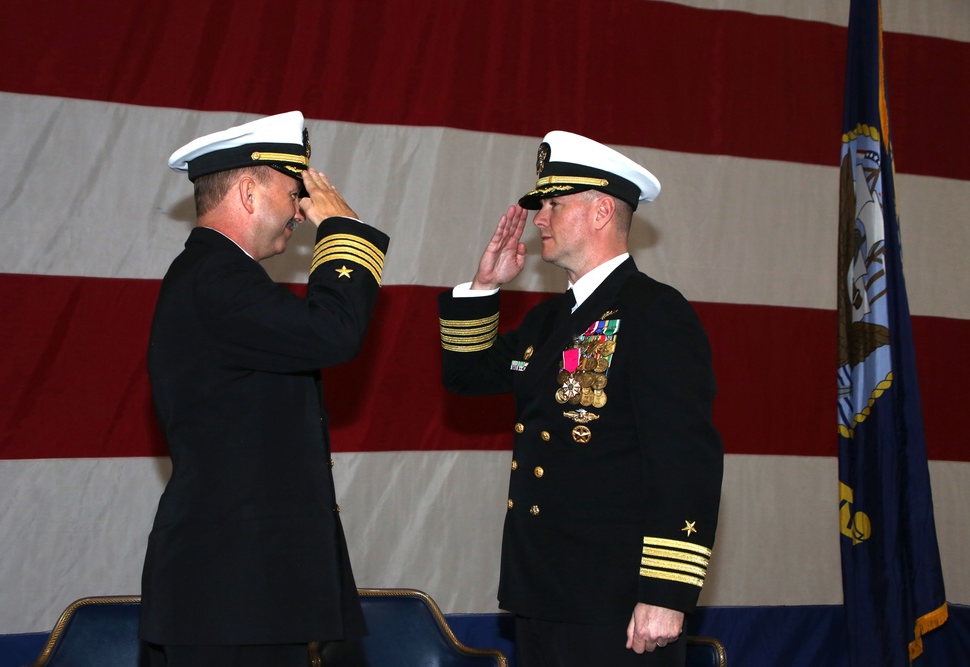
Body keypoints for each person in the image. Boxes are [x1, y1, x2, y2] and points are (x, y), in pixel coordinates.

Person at [438, 131, 723, 666]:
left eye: (553, 204)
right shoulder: (549, 321)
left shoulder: (654, 312)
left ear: (600, 212)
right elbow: (468, 375)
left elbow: (686, 462)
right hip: (543, 591)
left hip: (614, 600)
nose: (539, 218)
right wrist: (483, 288)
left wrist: (666, 594)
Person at [139, 111, 389, 667]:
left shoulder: (219, 276)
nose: (301, 209)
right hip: (230, 595)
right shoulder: (217, 279)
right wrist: (345, 235)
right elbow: (332, 334)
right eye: (293, 190)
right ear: (250, 192)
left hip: (241, 592)